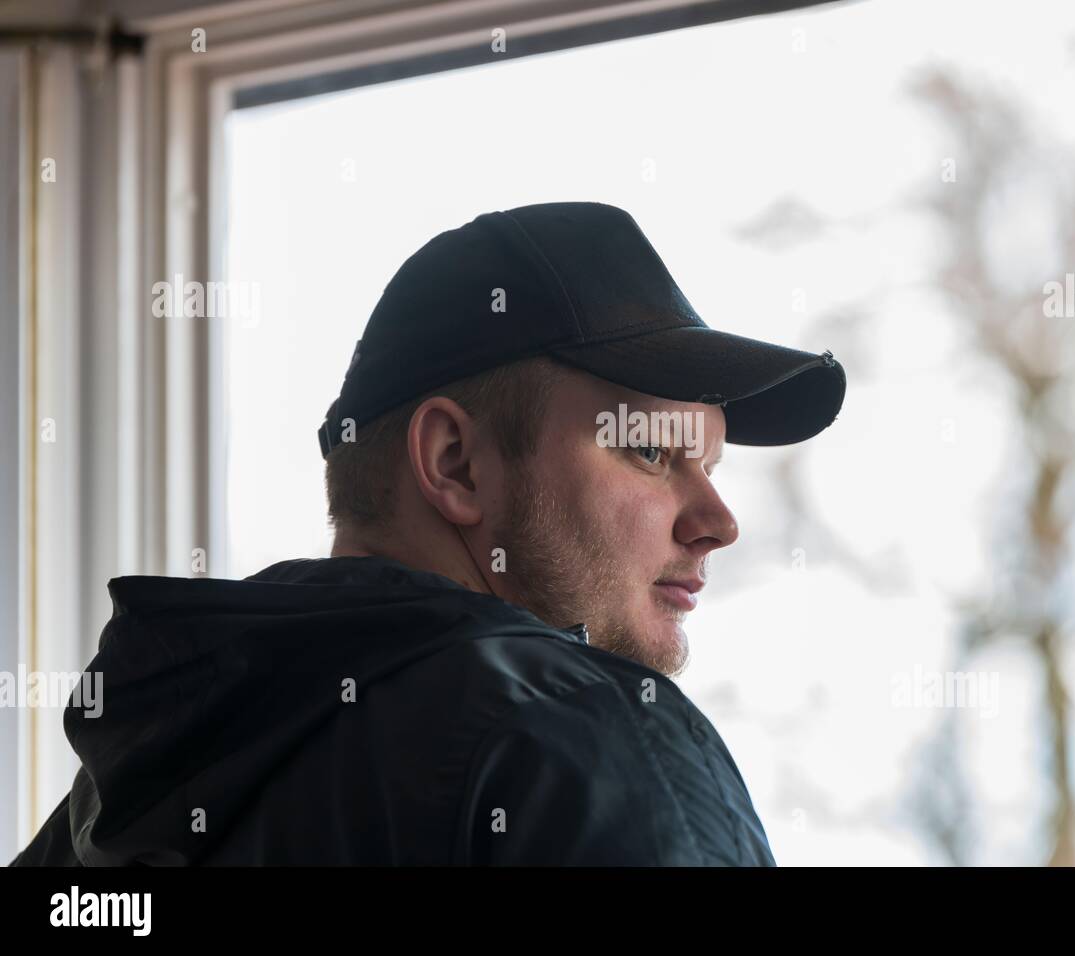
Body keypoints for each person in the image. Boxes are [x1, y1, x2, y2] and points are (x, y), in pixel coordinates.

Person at [10, 201, 845, 866]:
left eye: (710, 467)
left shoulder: (104, 813)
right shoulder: (581, 736)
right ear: (455, 463)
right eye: (650, 449)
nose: (718, 523)